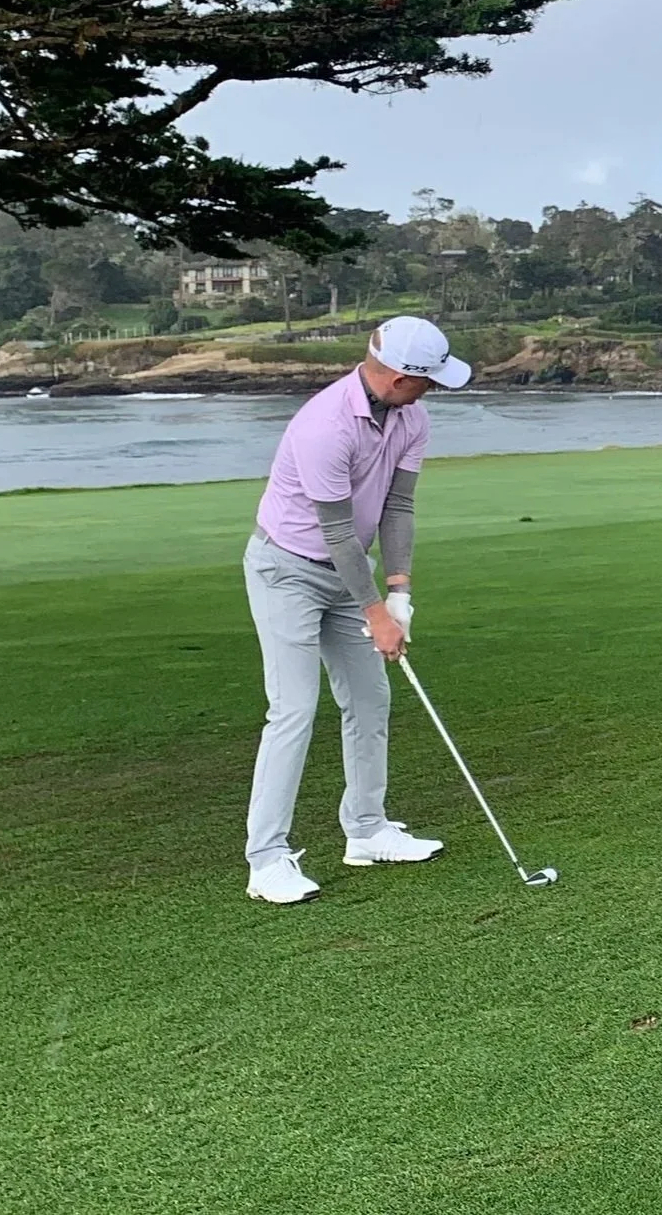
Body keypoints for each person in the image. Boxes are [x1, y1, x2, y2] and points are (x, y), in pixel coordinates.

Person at [240, 316, 472, 904]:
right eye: (430, 380)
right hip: (286, 568)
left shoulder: (412, 417)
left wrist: (399, 591)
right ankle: (266, 861)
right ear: (398, 377)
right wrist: (376, 614)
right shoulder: (325, 425)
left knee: (370, 699)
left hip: (350, 576)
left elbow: (397, 508)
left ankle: (367, 830)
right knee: (292, 709)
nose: (437, 389)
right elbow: (338, 533)